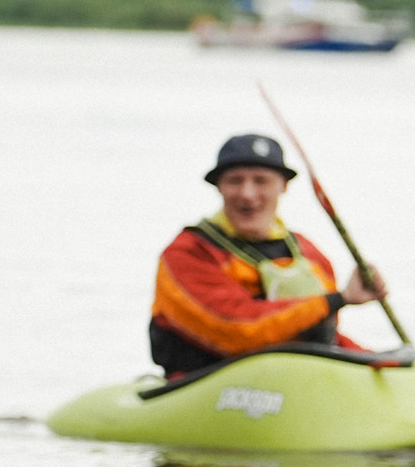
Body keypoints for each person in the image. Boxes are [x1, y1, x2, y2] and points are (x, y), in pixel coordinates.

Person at [149, 133, 388, 375]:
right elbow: (238, 329)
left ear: (283, 186)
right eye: (235, 181)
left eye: (261, 181)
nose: (248, 194)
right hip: (207, 383)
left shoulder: (308, 253)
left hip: (296, 382)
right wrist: (340, 299)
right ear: (218, 186)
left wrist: (382, 363)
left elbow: (323, 337)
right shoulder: (188, 252)